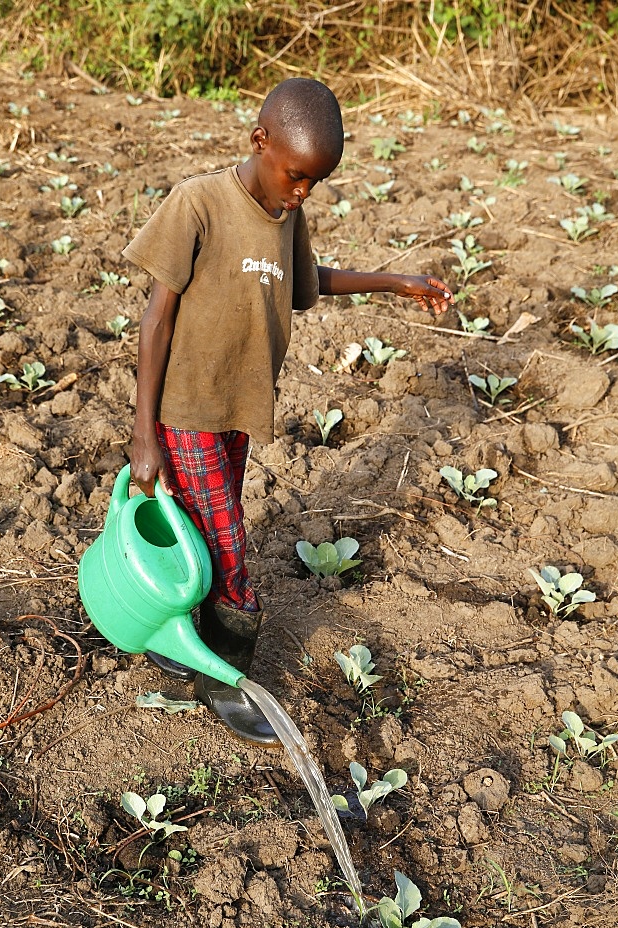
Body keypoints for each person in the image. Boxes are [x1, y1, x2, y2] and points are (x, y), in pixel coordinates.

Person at [122, 77, 454, 746]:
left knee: (200, 537)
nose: (301, 193)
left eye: (314, 184)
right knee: (230, 552)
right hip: (185, 411)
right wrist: (142, 434)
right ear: (259, 141)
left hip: (238, 408)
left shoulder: (286, 215)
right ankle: (226, 679)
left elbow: (311, 284)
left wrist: (397, 280)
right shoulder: (200, 203)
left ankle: (180, 643)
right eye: (295, 176)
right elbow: (155, 321)